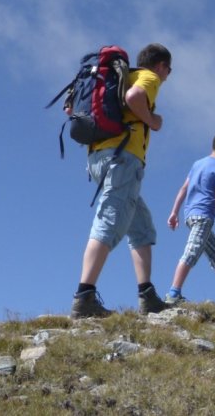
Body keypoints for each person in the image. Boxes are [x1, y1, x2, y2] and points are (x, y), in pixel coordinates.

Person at [70, 43, 173, 318]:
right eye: (168, 70)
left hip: (99, 158)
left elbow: (71, 109)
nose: (168, 76)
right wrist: (152, 120)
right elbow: (135, 96)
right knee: (109, 221)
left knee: (141, 227)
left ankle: (147, 295)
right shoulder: (146, 78)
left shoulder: (116, 77)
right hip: (123, 158)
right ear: (160, 65)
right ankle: (84, 296)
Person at [164, 131, 215, 305]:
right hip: (204, 217)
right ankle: (173, 293)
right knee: (192, 252)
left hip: (190, 216)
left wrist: (174, 211)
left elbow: (184, 188)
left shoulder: (198, 164)